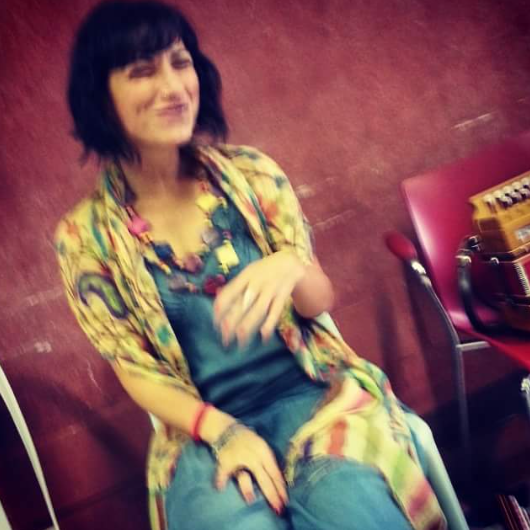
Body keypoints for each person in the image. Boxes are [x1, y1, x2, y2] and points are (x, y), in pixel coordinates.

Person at [55, 1, 446, 529]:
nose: (173, 87)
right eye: (143, 71)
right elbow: (134, 369)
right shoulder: (84, 237)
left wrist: (292, 265)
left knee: (350, 512)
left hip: (313, 394)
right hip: (201, 430)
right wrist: (224, 433)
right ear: (99, 97)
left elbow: (318, 301)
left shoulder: (254, 176)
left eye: (180, 62)